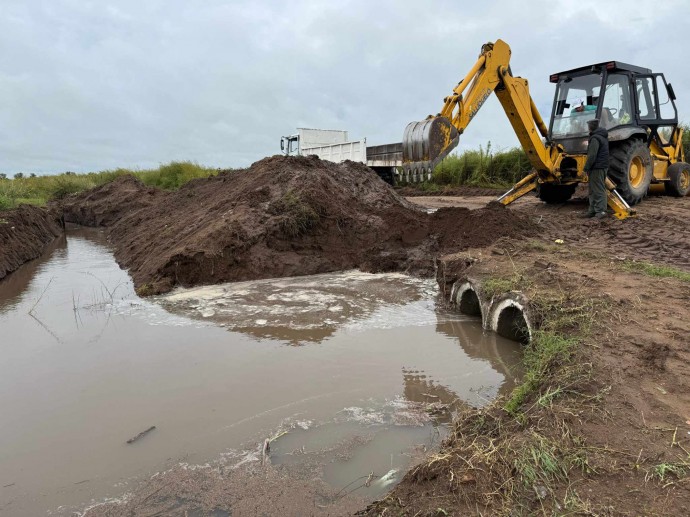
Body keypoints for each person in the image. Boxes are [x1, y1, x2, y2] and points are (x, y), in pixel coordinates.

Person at [581, 118, 609, 219]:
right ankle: (592, 211)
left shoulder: (595, 138)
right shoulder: (601, 137)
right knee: (593, 189)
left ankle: (601, 211)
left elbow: (592, 155)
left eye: (588, 126)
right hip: (600, 166)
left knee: (598, 189)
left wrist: (585, 168)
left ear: (590, 127)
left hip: (597, 167)